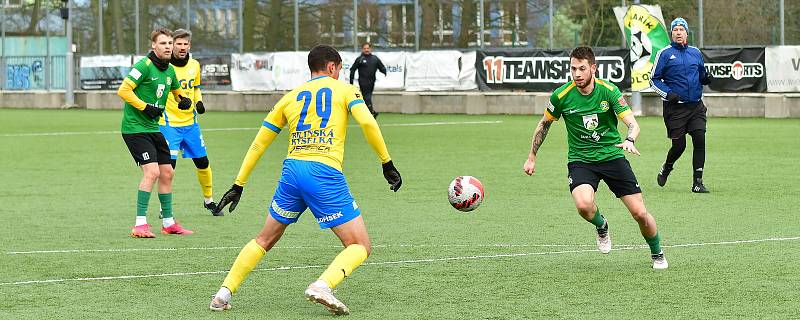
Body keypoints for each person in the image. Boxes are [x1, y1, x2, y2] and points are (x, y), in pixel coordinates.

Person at [209, 44, 402, 315]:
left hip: (291, 173)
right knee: (360, 245)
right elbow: (369, 123)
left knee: (264, 239)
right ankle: (323, 285)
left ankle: (222, 294)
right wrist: (386, 162)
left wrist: (239, 183)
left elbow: (258, 144)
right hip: (323, 172)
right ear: (333, 67)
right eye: (340, 69)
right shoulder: (345, 89)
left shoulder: (290, 97)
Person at [523, 46, 667, 269]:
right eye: (573, 69)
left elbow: (632, 123)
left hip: (612, 157)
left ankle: (657, 252)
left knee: (639, 213)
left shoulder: (608, 91)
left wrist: (629, 139)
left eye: (582, 68)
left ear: (593, 68)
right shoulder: (561, 96)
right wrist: (532, 156)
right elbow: (544, 124)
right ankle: (602, 225)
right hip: (581, 160)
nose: (577, 74)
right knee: (583, 205)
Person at [117, 27, 194, 237]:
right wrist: (145, 106)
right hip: (135, 129)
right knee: (152, 172)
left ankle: (168, 223)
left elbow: (177, 92)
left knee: (168, 172)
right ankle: (139, 225)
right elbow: (123, 90)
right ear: (154, 45)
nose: (168, 47)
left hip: (153, 128)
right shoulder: (144, 66)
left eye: (170, 43)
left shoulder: (169, 70)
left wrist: (184, 100)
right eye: (163, 43)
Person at [650, 17, 713, 193]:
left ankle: (697, 182)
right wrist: (668, 93)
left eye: (681, 29)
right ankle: (667, 167)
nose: (678, 32)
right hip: (675, 109)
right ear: (672, 33)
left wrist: (706, 79)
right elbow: (653, 79)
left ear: (687, 33)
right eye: (675, 29)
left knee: (700, 139)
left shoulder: (695, 52)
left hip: (696, 107)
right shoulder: (664, 53)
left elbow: (701, 74)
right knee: (679, 146)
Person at [160, 28, 218, 215]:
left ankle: (209, 200)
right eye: (179, 44)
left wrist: (199, 101)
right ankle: (164, 208)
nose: (182, 47)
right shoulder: (165, 67)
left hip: (191, 125)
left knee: (203, 162)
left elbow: (196, 88)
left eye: (186, 44)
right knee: (169, 168)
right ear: (172, 44)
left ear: (189, 45)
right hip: (169, 125)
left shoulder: (195, 65)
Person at [349, 42, 386, 118]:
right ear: (362, 49)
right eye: (365, 48)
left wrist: (384, 71)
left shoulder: (375, 58)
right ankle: (371, 112)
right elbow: (352, 69)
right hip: (363, 81)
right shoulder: (360, 59)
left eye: (368, 48)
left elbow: (381, 66)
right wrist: (351, 81)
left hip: (372, 81)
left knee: (367, 97)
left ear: (370, 49)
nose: (366, 50)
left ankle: (370, 112)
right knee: (367, 97)